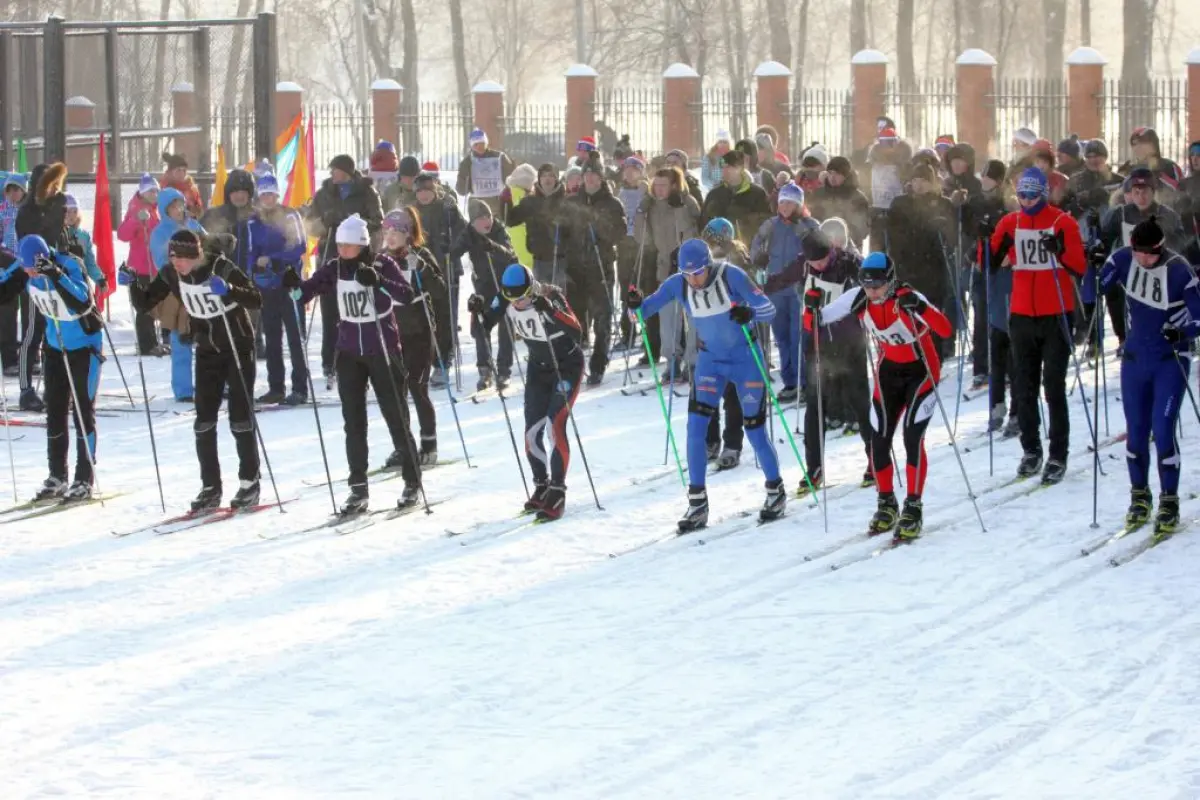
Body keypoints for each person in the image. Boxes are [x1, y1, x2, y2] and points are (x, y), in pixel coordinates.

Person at [628, 238, 786, 532]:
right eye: (687, 274)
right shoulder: (678, 284)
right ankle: (697, 503)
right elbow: (642, 312)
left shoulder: (731, 276)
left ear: (708, 266)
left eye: (698, 273)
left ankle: (775, 490)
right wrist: (635, 305)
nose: (694, 280)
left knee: (754, 431)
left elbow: (769, 309)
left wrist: (750, 313)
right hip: (710, 362)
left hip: (745, 360)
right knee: (695, 428)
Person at [283, 214, 423, 513]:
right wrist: (293, 286)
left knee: (396, 417)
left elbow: (407, 295)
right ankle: (358, 489)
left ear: (361, 245)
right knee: (353, 423)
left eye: (348, 245)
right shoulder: (334, 268)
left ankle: (412, 482)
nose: (342, 250)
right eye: (339, 245)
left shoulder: (382, 264)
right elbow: (304, 293)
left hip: (382, 349)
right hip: (349, 352)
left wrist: (379, 283)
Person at [819, 252, 951, 539]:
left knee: (912, 437)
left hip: (921, 372)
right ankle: (886, 503)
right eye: (867, 286)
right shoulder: (859, 297)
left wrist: (921, 308)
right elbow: (818, 319)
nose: (872, 292)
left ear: (890, 282)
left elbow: (944, 328)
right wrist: (811, 306)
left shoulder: (907, 296)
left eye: (877, 286)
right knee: (878, 439)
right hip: (889, 373)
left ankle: (913, 507)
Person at [128, 229, 263, 511]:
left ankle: (249, 481)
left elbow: (255, 298)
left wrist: (230, 289)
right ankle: (210, 486)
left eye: (181, 257)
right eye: (173, 257)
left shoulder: (219, 266)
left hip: (237, 346)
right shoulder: (171, 273)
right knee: (203, 421)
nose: (176, 262)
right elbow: (145, 303)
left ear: (194, 255)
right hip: (207, 350)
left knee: (240, 418)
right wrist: (132, 284)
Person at [1099, 216, 1200, 537]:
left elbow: (1199, 318)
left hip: (1170, 361)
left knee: (1163, 430)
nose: (1143, 259)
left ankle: (1169, 501)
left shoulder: (1179, 270)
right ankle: (1140, 497)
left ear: (1160, 248)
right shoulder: (1123, 259)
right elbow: (1093, 291)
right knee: (1136, 434)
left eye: (1150, 253)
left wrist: (1181, 332)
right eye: (1138, 252)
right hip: (1134, 362)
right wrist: (1093, 264)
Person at [984, 167, 1086, 484]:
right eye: (1021, 196)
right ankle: (1031, 450)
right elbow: (989, 264)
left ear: (1043, 194)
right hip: (1022, 315)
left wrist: (1060, 251)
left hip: (1056, 313)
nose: (1026, 201)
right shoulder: (1010, 223)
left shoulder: (1062, 222)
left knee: (1053, 386)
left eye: (1032, 195)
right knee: (1024, 386)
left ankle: (1058, 454)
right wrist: (983, 240)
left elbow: (1079, 267)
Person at [468, 263, 584, 521]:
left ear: (531, 289)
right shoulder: (505, 297)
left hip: (566, 366)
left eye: (521, 298)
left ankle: (558, 491)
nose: (517, 304)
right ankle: (542, 486)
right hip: (538, 369)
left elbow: (577, 331)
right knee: (532, 431)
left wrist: (551, 310)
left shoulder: (550, 295)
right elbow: (481, 330)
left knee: (555, 425)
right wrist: (475, 312)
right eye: (512, 299)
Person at [765, 229, 872, 491]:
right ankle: (814, 468)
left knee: (861, 405)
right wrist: (756, 291)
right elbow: (781, 280)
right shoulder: (804, 264)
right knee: (815, 408)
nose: (818, 266)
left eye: (822, 260)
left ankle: (876, 461)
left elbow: (872, 287)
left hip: (850, 344)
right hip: (818, 345)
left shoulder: (848, 262)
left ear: (831, 251)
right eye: (814, 262)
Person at [0, 235, 103, 500]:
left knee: (83, 412)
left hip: (84, 347)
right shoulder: (25, 266)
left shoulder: (69, 264)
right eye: (27, 269)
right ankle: (57, 475)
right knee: (55, 412)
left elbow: (83, 301)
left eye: (34, 268)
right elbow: (5, 290)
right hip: (55, 348)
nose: (31, 274)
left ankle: (84, 478)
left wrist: (56, 274)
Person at [306, 154, 385, 388]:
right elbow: (310, 225)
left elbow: (378, 221)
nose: (333, 174)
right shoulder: (323, 194)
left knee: (355, 311)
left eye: (337, 170)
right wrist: (325, 221)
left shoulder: (366, 192)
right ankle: (329, 362)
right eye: (332, 170)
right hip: (330, 255)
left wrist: (353, 224)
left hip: (358, 259)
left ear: (348, 172)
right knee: (330, 313)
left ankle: (361, 359)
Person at [380, 208, 448, 464]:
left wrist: (422, 269)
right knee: (395, 393)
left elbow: (440, 291)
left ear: (407, 234)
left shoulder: (420, 255)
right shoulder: (381, 259)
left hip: (419, 332)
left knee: (417, 388)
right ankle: (404, 447)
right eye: (387, 231)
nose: (390, 236)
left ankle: (429, 445)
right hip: (391, 334)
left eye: (396, 231)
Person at [751, 183, 819, 404]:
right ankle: (789, 382)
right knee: (781, 338)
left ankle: (803, 382)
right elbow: (756, 245)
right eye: (782, 202)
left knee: (798, 337)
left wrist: (807, 239)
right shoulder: (771, 225)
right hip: (775, 288)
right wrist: (758, 258)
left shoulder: (809, 225)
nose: (785, 207)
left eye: (790, 202)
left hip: (799, 288)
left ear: (799, 204)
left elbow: (820, 249)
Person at [563, 154, 626, 385]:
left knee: (602, 319)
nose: (590, 178)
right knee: (576, 320)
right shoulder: (571, 202)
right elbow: (562, 229)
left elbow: (619, 233)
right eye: (587, 174)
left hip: (601, 267)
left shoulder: (612, 203)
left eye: (594, 175)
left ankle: (598, 364)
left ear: (601, 178)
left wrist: (600, 228)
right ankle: (575, 364)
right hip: (575, 268)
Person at [248, 172, 309, 405]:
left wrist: (274, 259)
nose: (268, 199)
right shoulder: (254, 221)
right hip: (267, 285)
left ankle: (300, 388)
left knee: (295, 337)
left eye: (272, 194)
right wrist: (254, 268)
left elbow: (299, 246)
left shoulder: (290, 215)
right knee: (272, 338)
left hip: (289, 282)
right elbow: (251, 252)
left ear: (277, 195)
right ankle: (276, 387)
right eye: (264, 195)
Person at [885, 163, 956, 358]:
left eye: (924, 180)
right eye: (916, 180)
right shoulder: (900, 203)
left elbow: (952, 239)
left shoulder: (942, 204)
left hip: (933, 270)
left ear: (932, 183)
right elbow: (893, 234)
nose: (919, 185)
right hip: (906, 267)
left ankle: (935, 356)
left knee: (931, 315)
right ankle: (910, 356)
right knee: (906, 316)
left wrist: (942, 228)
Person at [634, 166, 700, 373]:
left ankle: (693, 361)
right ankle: (672, 360)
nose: (659, 189)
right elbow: (642, 238)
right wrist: (641, 212)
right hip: (664, 268)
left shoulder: (687, 202)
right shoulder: (652, 206)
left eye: (664, 185)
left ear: (674, 185)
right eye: (656, 185)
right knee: (668, 321)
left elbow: (690, 234)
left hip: (689, 269)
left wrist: (679, 208)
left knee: (692, 319)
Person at [454, 200, 517, 391]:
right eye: (480, 218)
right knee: (481, 326)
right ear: (473, 222)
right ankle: (485, 369)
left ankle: (504, 370)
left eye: (488, 216)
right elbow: (456, 250)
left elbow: (510, 255)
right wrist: (448, 250)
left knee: (506, 325)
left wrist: (493, 247)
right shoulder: (469, 233)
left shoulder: (499, 230)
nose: (486, 221)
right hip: (483, 285)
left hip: (503, 284)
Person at [411, 171, 466, 384]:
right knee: (424, 319)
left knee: (445, 318)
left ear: (434, 190)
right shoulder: (412, 211)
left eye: (427, 190)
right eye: (420, 191)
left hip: (446, 269)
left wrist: (452, 247)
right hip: (421, 271)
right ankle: (424, 361)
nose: (423, 195)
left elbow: (464, 232)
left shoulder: (447, 209)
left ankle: (443, 362)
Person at [116, 173, 164, 356]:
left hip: (154, 265)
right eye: (150, 191)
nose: (154, 194)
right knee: (144, 307)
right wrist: (137, 220)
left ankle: (155, 341)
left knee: (153, 305)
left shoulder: (156, 208)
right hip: (141, 267)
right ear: (142, 192)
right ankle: (147, 345)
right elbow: (122, 234)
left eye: (156, 191)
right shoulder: (136, 208)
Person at [507, 163, 569, 288]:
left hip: (560, 260)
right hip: (539, 259)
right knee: (541, 295)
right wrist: (506, 201)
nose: (547, 179)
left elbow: (575, 229)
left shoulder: (565, 202)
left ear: (556, 179)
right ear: (539, 179)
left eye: (551, 176)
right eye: (544, 176)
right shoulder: (530, 201)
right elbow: (511, 221)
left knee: (559, 296)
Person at [700, 149, 772, 249]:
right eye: (723, 167)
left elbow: (765, 224)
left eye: (729, 167)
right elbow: (703, 224)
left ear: (740, 168)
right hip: (718, 251)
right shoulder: (714, 194)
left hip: (747, 250)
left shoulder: (757, 194)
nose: (725, 171)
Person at [864, 127, 912, 252]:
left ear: (896, 143)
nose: (888, 147)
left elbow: (909, 184)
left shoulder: (904, 164)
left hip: (898, 211)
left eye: (891, 142)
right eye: (884, 142)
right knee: (878, 249)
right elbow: (865, 186)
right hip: (877, 211)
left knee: (897, 248)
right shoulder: (871, 164)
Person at [807, 156, 870, 250]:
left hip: (849, 248)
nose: (832, 177)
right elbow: (811, 222)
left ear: (846, 175)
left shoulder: (858, 198)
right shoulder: (818, 194)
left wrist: (840, 238)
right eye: (830, 173)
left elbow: (861, 229)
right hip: (822, 247)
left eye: (837, 174)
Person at [455, 128, 515, 216]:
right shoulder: (467, 162)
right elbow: (461, 190)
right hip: (477, 207)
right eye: (476, 144)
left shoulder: (500, 158)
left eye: (482, 143)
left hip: (498, 205)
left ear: (486, 143)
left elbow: (512, 180)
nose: (479, 147)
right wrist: (464, 175)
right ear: (471, 145)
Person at [62, 194, 105, 289]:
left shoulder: (83, 236)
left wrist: (99, 279)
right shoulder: (55, 234)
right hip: (61, 281)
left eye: (75, 211)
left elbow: (89, 263)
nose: (72, 215)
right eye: (68, 211)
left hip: (80, 282)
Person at [502, 163, 538, 269]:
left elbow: (503, 216)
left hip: (511, 238)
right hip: (526, 238)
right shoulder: (528, 196)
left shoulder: (507, 192)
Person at [160, 152, 205, 219]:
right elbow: (165, 210)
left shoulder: (190, 186)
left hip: (192, 221)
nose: (181, 173)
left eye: (184, 170)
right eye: (178, 170)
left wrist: (195, 211)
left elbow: (198, 206)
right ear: (171, 171)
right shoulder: (166, 187)